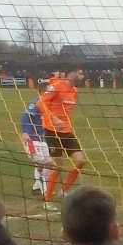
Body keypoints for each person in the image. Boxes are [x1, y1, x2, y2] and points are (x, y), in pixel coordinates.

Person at [37, 73, 88, 202]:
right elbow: (40, 104)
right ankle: (47, 198)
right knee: (58, 166)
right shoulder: (55, 87)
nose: (82, 77)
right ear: (72, 74)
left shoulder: (74, 90)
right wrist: (54, 119)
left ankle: (64, 191)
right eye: (80, 73)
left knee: (80, 161)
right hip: (52, 131)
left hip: (66, 131)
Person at [19, 94, 53, 196]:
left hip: (41, 139)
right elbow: (25, 117)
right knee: (40, 163)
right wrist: (25, 132)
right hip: (32, 139)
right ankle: (45, 192)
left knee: (51, 165)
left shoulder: (48, 104)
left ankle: (37, 187)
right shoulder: (36, 103)